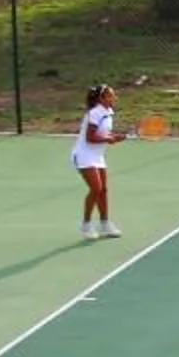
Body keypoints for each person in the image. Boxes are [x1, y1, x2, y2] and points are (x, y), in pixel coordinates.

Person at [72, 83, 124, 240]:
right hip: (84, 155)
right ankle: (86, 224)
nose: (115, 98)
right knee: (96, 188)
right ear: (102, 98)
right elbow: (90, 137)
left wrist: (114, 137)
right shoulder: (95, 113)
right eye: (111, 95)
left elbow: (103, 133)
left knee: (103, 190)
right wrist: (109, 139)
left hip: (97, 156)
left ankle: (104, 223)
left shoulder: (108, 112)